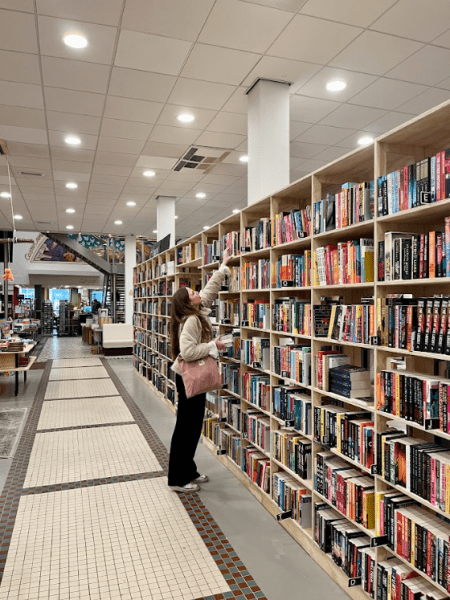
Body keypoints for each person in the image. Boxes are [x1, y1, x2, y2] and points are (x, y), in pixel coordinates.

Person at [168, 250, 230, 492]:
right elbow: (188, 352)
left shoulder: (195, 311)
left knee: (193, 425)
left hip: (191, 375)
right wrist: (213, 346)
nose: (197, 293)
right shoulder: (191, 320)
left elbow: (209, 290)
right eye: (193, 293)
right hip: (188, 376)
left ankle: (188, 470)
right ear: (188, 302)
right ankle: (177, 478)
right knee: (186, 426)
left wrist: (223, 265)